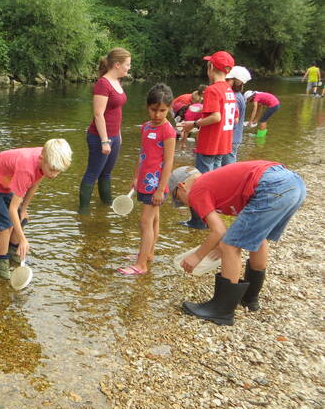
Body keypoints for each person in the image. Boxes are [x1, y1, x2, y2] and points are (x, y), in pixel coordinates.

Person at [169, 161, 305, 326]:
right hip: (294, 184)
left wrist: (197, 256)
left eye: (179, 199)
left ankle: (221, 311)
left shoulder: (198, 190)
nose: (185, 204)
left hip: (272, 186)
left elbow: (219, 231)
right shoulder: (214, 183)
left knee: (229, 246)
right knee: (257, 238)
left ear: (182, 186)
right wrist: (221, 244)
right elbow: (239, 228)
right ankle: (249, 298)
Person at [0, 139, 72, 279]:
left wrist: (24, 209)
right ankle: (0, 264)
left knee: (22, 217)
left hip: (5, 182)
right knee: (6, 225)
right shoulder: (26, 168)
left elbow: (34, 184)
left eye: (58, 171)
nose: (54, 175)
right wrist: (23, 239)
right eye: (52, 170)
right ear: (42, 159)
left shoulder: (48, 156)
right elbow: (12, 209)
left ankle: (14, 251)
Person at [118, 84, 176, 276]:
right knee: (154, 219)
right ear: (147, 107)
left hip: (156, 184)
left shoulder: (168, 131)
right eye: (154, 110)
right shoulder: (146, 127)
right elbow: (143, 154)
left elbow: (168, 162)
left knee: (145, 222)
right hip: (144, 181)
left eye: (163, 111)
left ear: (169, 108)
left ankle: (141, 265)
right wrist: (136, 176)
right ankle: (148, 253)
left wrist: (160, 189)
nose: (157, 115)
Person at [179, 51, 236, 229]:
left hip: (209, 144)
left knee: (200, 183)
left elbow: (216, 117)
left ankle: (198, 221)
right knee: (215, 183)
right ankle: (213, 219)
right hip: (223, 143)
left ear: (211, 68)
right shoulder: (229, 90)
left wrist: (193, 123)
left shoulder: (212, 90)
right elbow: (232, 118)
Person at [78, 47, 131, 214]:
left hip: (114, 137)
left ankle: (106, 206)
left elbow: (116, 112)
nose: (129, 67)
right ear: (117, 65)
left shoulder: (118, 82)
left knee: (106, 173)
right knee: (93, 173)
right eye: (127, 64)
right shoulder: (103, 84)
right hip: (99, 137)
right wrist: (104, 140)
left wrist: (118, 135)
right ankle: (83, 211)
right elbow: (98, 114)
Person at [221, 66, 252, 165]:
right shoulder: (238, 96)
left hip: (231, 139)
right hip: (234, 138)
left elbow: (233, 120)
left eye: (227, 79)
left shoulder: (234, 97)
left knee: (228, 167)